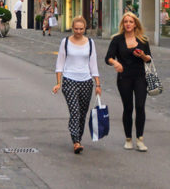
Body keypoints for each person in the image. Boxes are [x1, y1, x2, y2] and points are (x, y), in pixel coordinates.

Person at [105, 11, 152, 152]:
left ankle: (140, 139)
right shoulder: (117, 40)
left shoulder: (143, 40)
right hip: (124, 78)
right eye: (126, 22)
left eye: (131, 22)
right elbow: (108, 57)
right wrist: (115, 63)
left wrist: (143, 55)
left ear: (135, 24)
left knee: (140, 106)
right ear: (123, 24)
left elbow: (149, 59)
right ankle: (128, 139)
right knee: (128, 108)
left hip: (140, 77)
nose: (128, 24)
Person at [53, 16, 101, 154]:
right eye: (76, 29)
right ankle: (76, 141)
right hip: (69, 80)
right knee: (75, 111)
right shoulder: (66, 42)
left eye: (81, 29)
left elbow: (93, 65)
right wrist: (58, 82)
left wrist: (98, 84)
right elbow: (60, 63)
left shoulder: (90, 43)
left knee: (82, 113)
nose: (78, 31)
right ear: (72, 28)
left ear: (84, 28)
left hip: (86, 81)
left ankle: (78, 138)